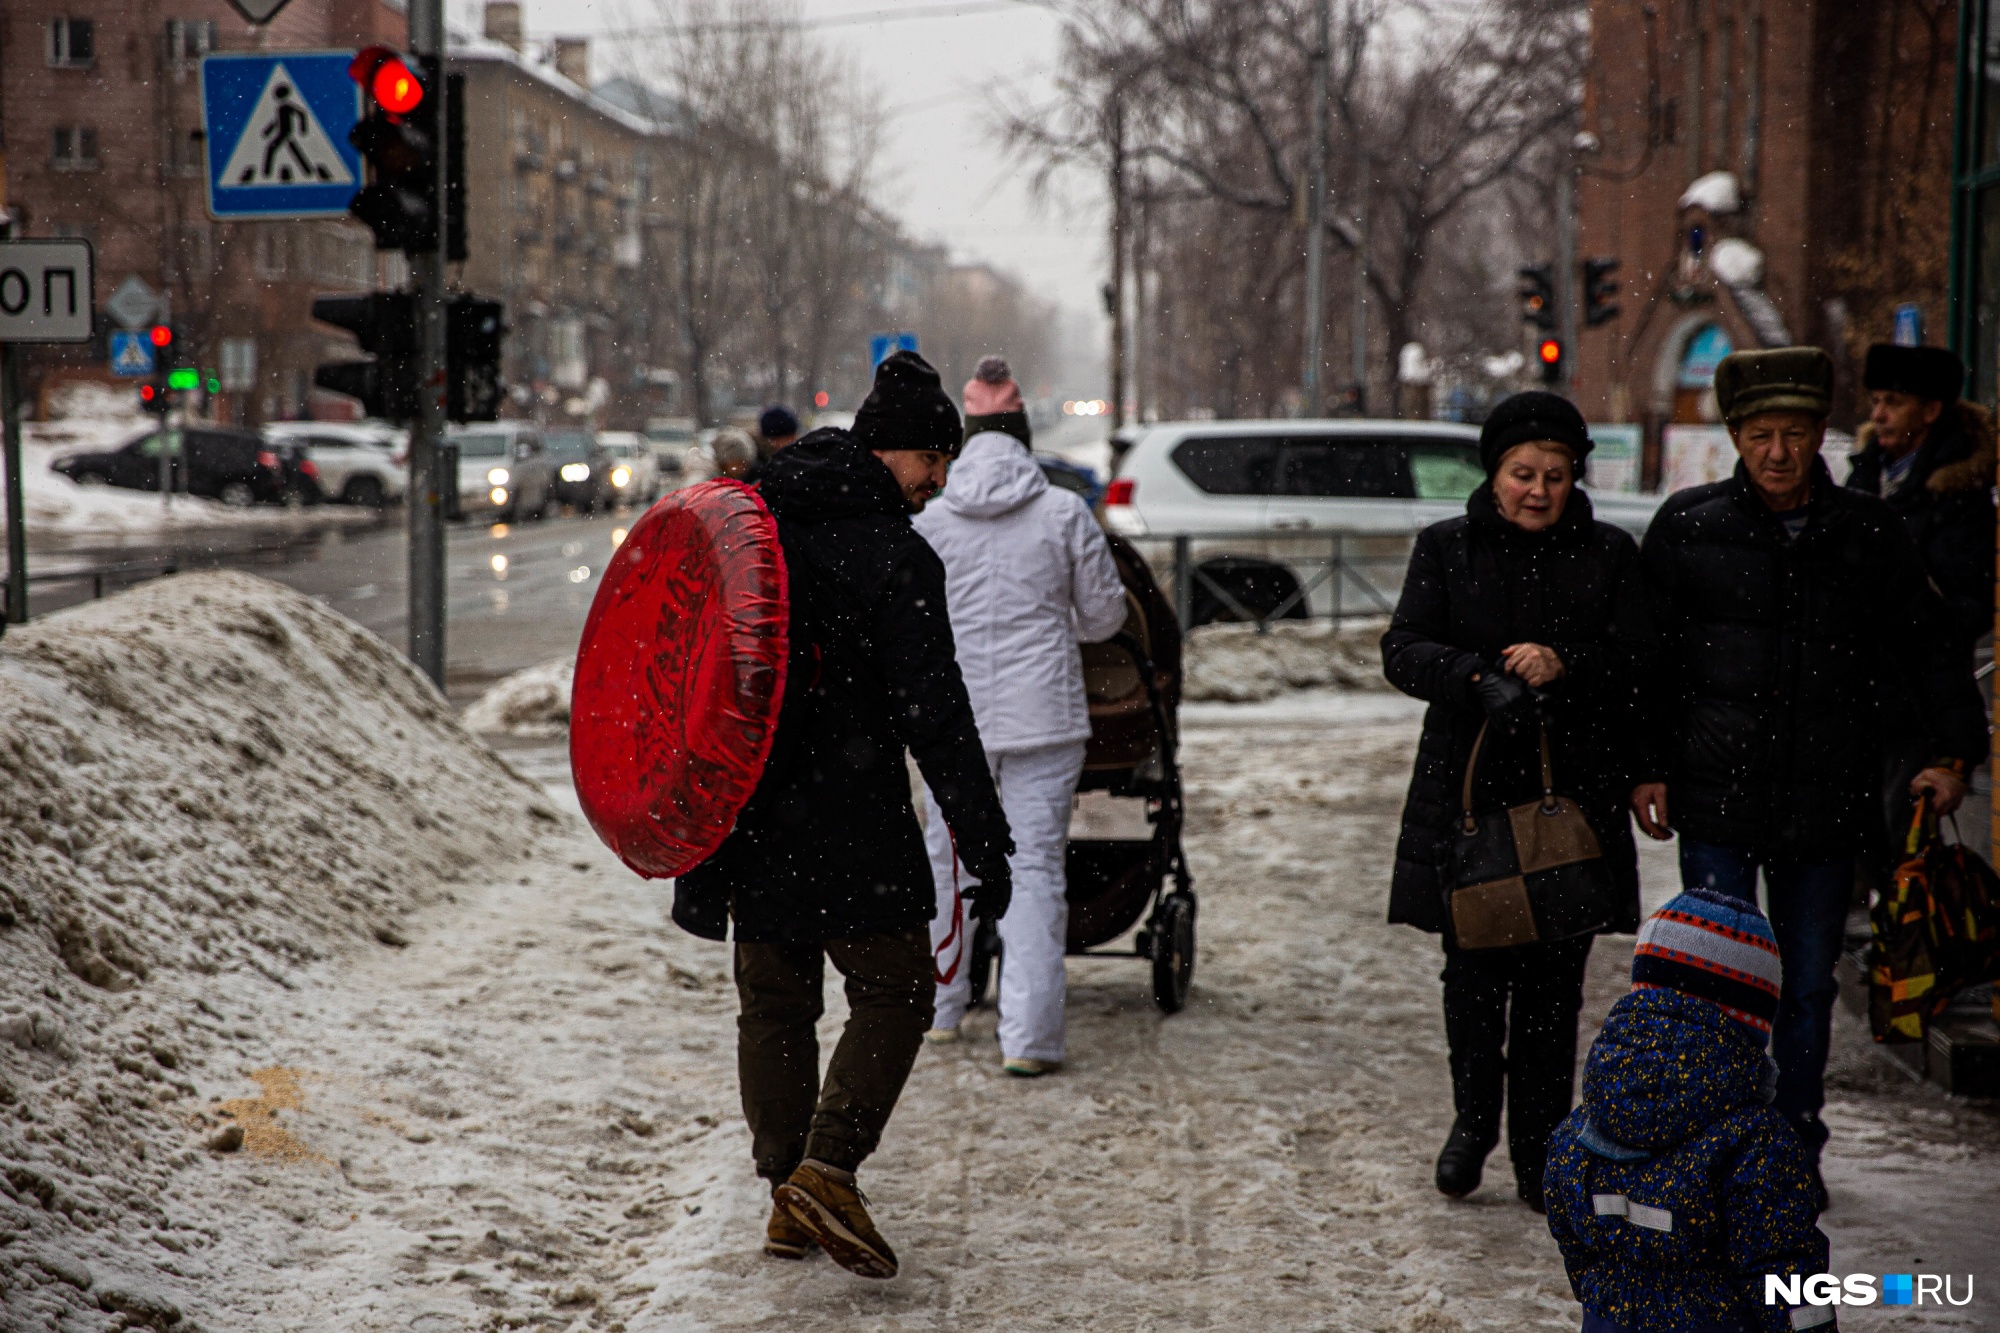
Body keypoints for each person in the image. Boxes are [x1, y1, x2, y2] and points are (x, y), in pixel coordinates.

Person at [672, 350, 1015, 1279]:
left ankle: (787, 1192)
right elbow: (935, 712)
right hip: (855, 813)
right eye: (932, 460)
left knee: (775, 1001)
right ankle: (825, 1170)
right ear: (893, 448)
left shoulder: (758, 520)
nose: (940, 481)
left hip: (752, 805)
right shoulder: (897, 554)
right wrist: (984, 835)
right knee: (900, 988)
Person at [1632, 346, 1987, 1206]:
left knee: (1808, 981)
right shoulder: (1689, 526)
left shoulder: (1867, 533)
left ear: (1818, 436)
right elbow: (1647, 660)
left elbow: (1928, 646)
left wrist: (1951, 754)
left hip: (1828, 798)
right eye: (1761, 435)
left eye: (1794, 434)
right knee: (1713, 980)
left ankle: (1791, 1143)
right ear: (1736, 438)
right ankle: (1717, 1142)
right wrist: (1645, 765)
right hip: (1717, 795)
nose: (1779, 453)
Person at [1382, 391, 1652, 1211]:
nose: (1538, 490)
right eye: (1522, 473)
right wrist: (1474, 675)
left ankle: (1542, 1148)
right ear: (1493, 474)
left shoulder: (1609, 553)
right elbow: (1402, 649)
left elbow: (1639, 661)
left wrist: (1564, 661)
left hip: (1569, 801)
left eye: (1556, 475)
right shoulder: (1445, 547)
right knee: (1470, 979)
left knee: (1553, 987)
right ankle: (1474, 1125)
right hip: (1465, 797)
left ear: (1577, 479)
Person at [912, 355, 1127, 1076]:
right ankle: (1029, 1038)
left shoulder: (932, 521)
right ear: (1026, 431)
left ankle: (940, 1012)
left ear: (967, 434)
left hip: (953, 723)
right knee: (1034, 867)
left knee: (945, 861)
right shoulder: (1064, 512)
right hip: (1045, 718)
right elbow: (1102, 619)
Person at [1544, 889, 1833, 1333]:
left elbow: (1570, 1228)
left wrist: (1606, 1294)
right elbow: (1786, 1275)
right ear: (1752, 1019)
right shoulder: (1755, 1140)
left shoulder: (1585, 1123)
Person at [1844, 343, 1995, 847]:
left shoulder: (1957, 495)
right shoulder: (1863, 477)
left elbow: (1965, 604)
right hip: (1853, 703)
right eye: (1875, 401)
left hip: (1914, 709)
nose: (1879, 415)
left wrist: (1903, 625)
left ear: (1931, 411)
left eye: (1894, 401)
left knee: (1899, 852)